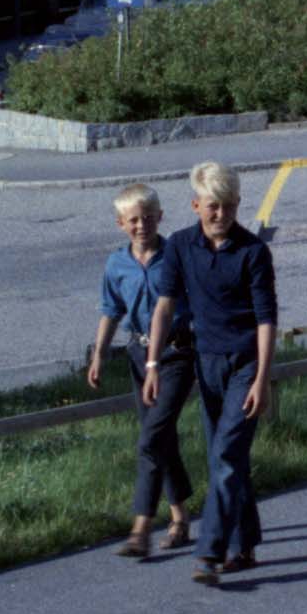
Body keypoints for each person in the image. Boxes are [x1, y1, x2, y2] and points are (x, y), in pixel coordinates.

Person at [144, 161, 277, 587]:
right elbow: (164, 306)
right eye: (213, 206)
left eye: (230, 206)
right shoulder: (181, 246)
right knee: (227, 459)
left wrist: (262, 379)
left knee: (225, 458)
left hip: (245, 366)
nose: (222, 215)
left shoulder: (254, 252)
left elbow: (266, 320)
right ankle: (246, 542)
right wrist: (152, 363)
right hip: (208, 366)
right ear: (196, 204)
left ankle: (210, 552)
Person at [88, 185, 193, 558]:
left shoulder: (176, 256)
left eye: (148, 217)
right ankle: (180, 518)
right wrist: (100, 353)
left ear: (160, 217)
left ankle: (141, 528)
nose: (141, 225)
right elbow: (110, 309)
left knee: (151, 437)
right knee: (160, 438)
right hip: (138, 353)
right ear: (121, 224)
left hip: (176, 353)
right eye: (133, 219)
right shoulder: (116, 265)